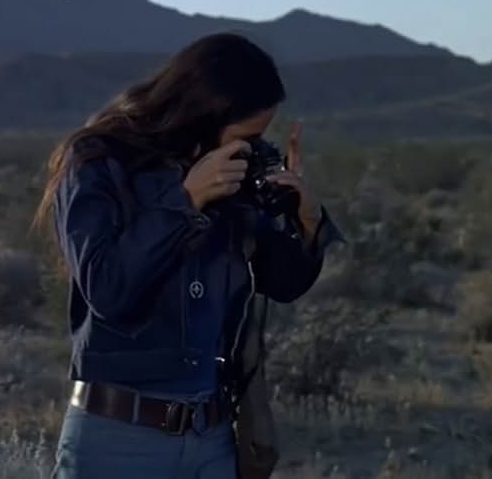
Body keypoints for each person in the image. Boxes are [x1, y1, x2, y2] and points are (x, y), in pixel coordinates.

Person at [33, 32, 344, 479]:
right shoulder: (98, 162)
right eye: (247, 137)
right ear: (202, 114)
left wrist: (307, 220)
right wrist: (185, 201)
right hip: (118, 440)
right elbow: (109, 289)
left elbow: (283, 283)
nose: (252, 149)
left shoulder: (232, 176)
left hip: (212, 438)